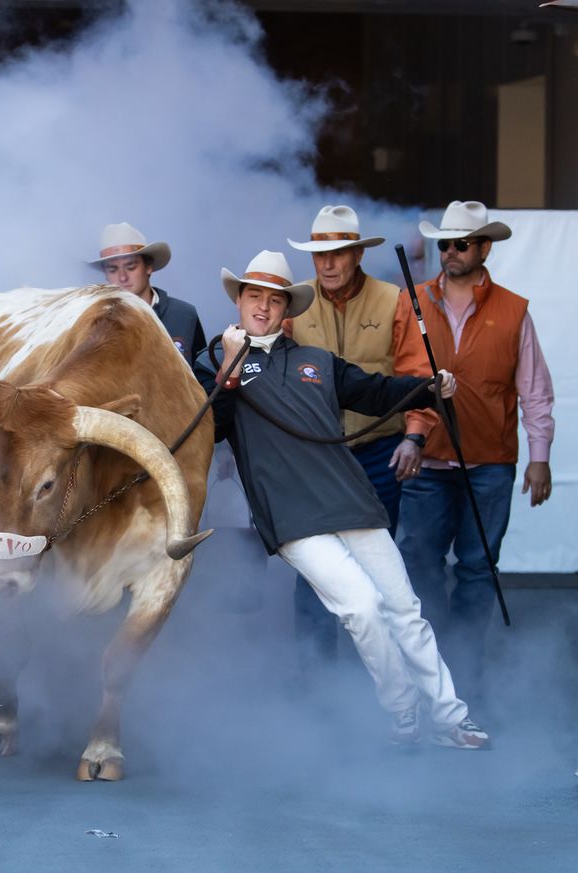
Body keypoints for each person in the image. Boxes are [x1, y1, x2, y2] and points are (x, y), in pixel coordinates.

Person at [195, 250, 489, 749]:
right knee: (362, 608)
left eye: (274, 299)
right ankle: (403, 713)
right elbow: (212, 428)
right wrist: (229, 362)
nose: (263, 308)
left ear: (287, 307)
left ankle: (448, 719)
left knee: (405, 610)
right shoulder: (212, 363)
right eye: (254, 297)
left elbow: (376, 392)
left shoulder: (315, 360)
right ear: (238, 300)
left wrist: (429, 389)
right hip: (290, 516)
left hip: (351, 499)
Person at [397, 201, 555, 705]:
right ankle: (432, 666)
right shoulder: (412, 301)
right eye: (444, 243)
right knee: (419, 563)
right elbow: (394, 378)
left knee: (477, 567)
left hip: (490, 463)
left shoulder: (513, 310)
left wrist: (540, 454)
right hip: (427, 461)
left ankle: (464, 671)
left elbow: (535, 390)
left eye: (461, 243)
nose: (450, 252)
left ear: (485, 247)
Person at [283, 205, 433, 671]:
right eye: (319, 255)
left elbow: (417, 374)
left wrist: (415, 436)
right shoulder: (294, 303)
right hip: (316, 455)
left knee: (377, 569)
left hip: (380, 452)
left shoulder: (395, 299)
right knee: (315, 571)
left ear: (357, 255)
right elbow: (273, 375)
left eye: (339, 253)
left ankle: (371, 674)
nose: (328, 264)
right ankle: (314, 679)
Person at [88, 222, 206, 366]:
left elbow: (202, 378)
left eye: (131, 267)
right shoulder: (94, 323)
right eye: (113, 269)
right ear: (105, 274)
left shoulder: (184, 315)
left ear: (149, 266)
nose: (122, 277)